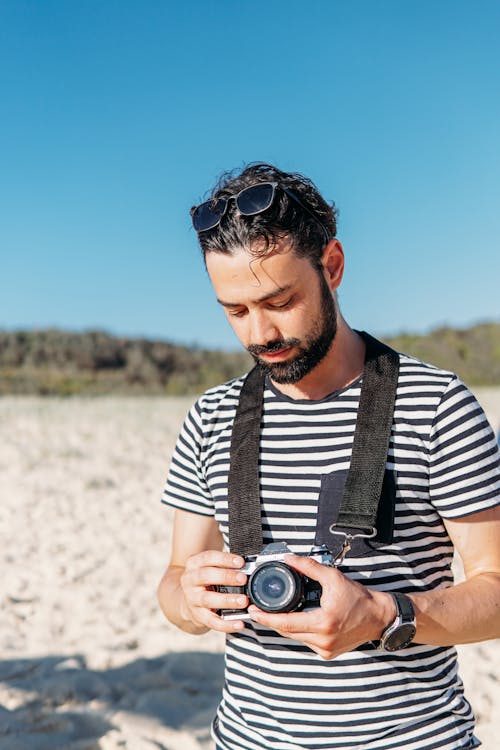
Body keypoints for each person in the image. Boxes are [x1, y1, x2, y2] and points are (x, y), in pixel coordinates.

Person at [157, 163, 500, 750]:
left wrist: (383, 614)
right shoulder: (210, 417)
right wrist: (190, 600)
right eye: (235, 311)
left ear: (332, 267)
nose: (260, 332)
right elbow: (172, 583)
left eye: (280, 301)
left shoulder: (435, 404)